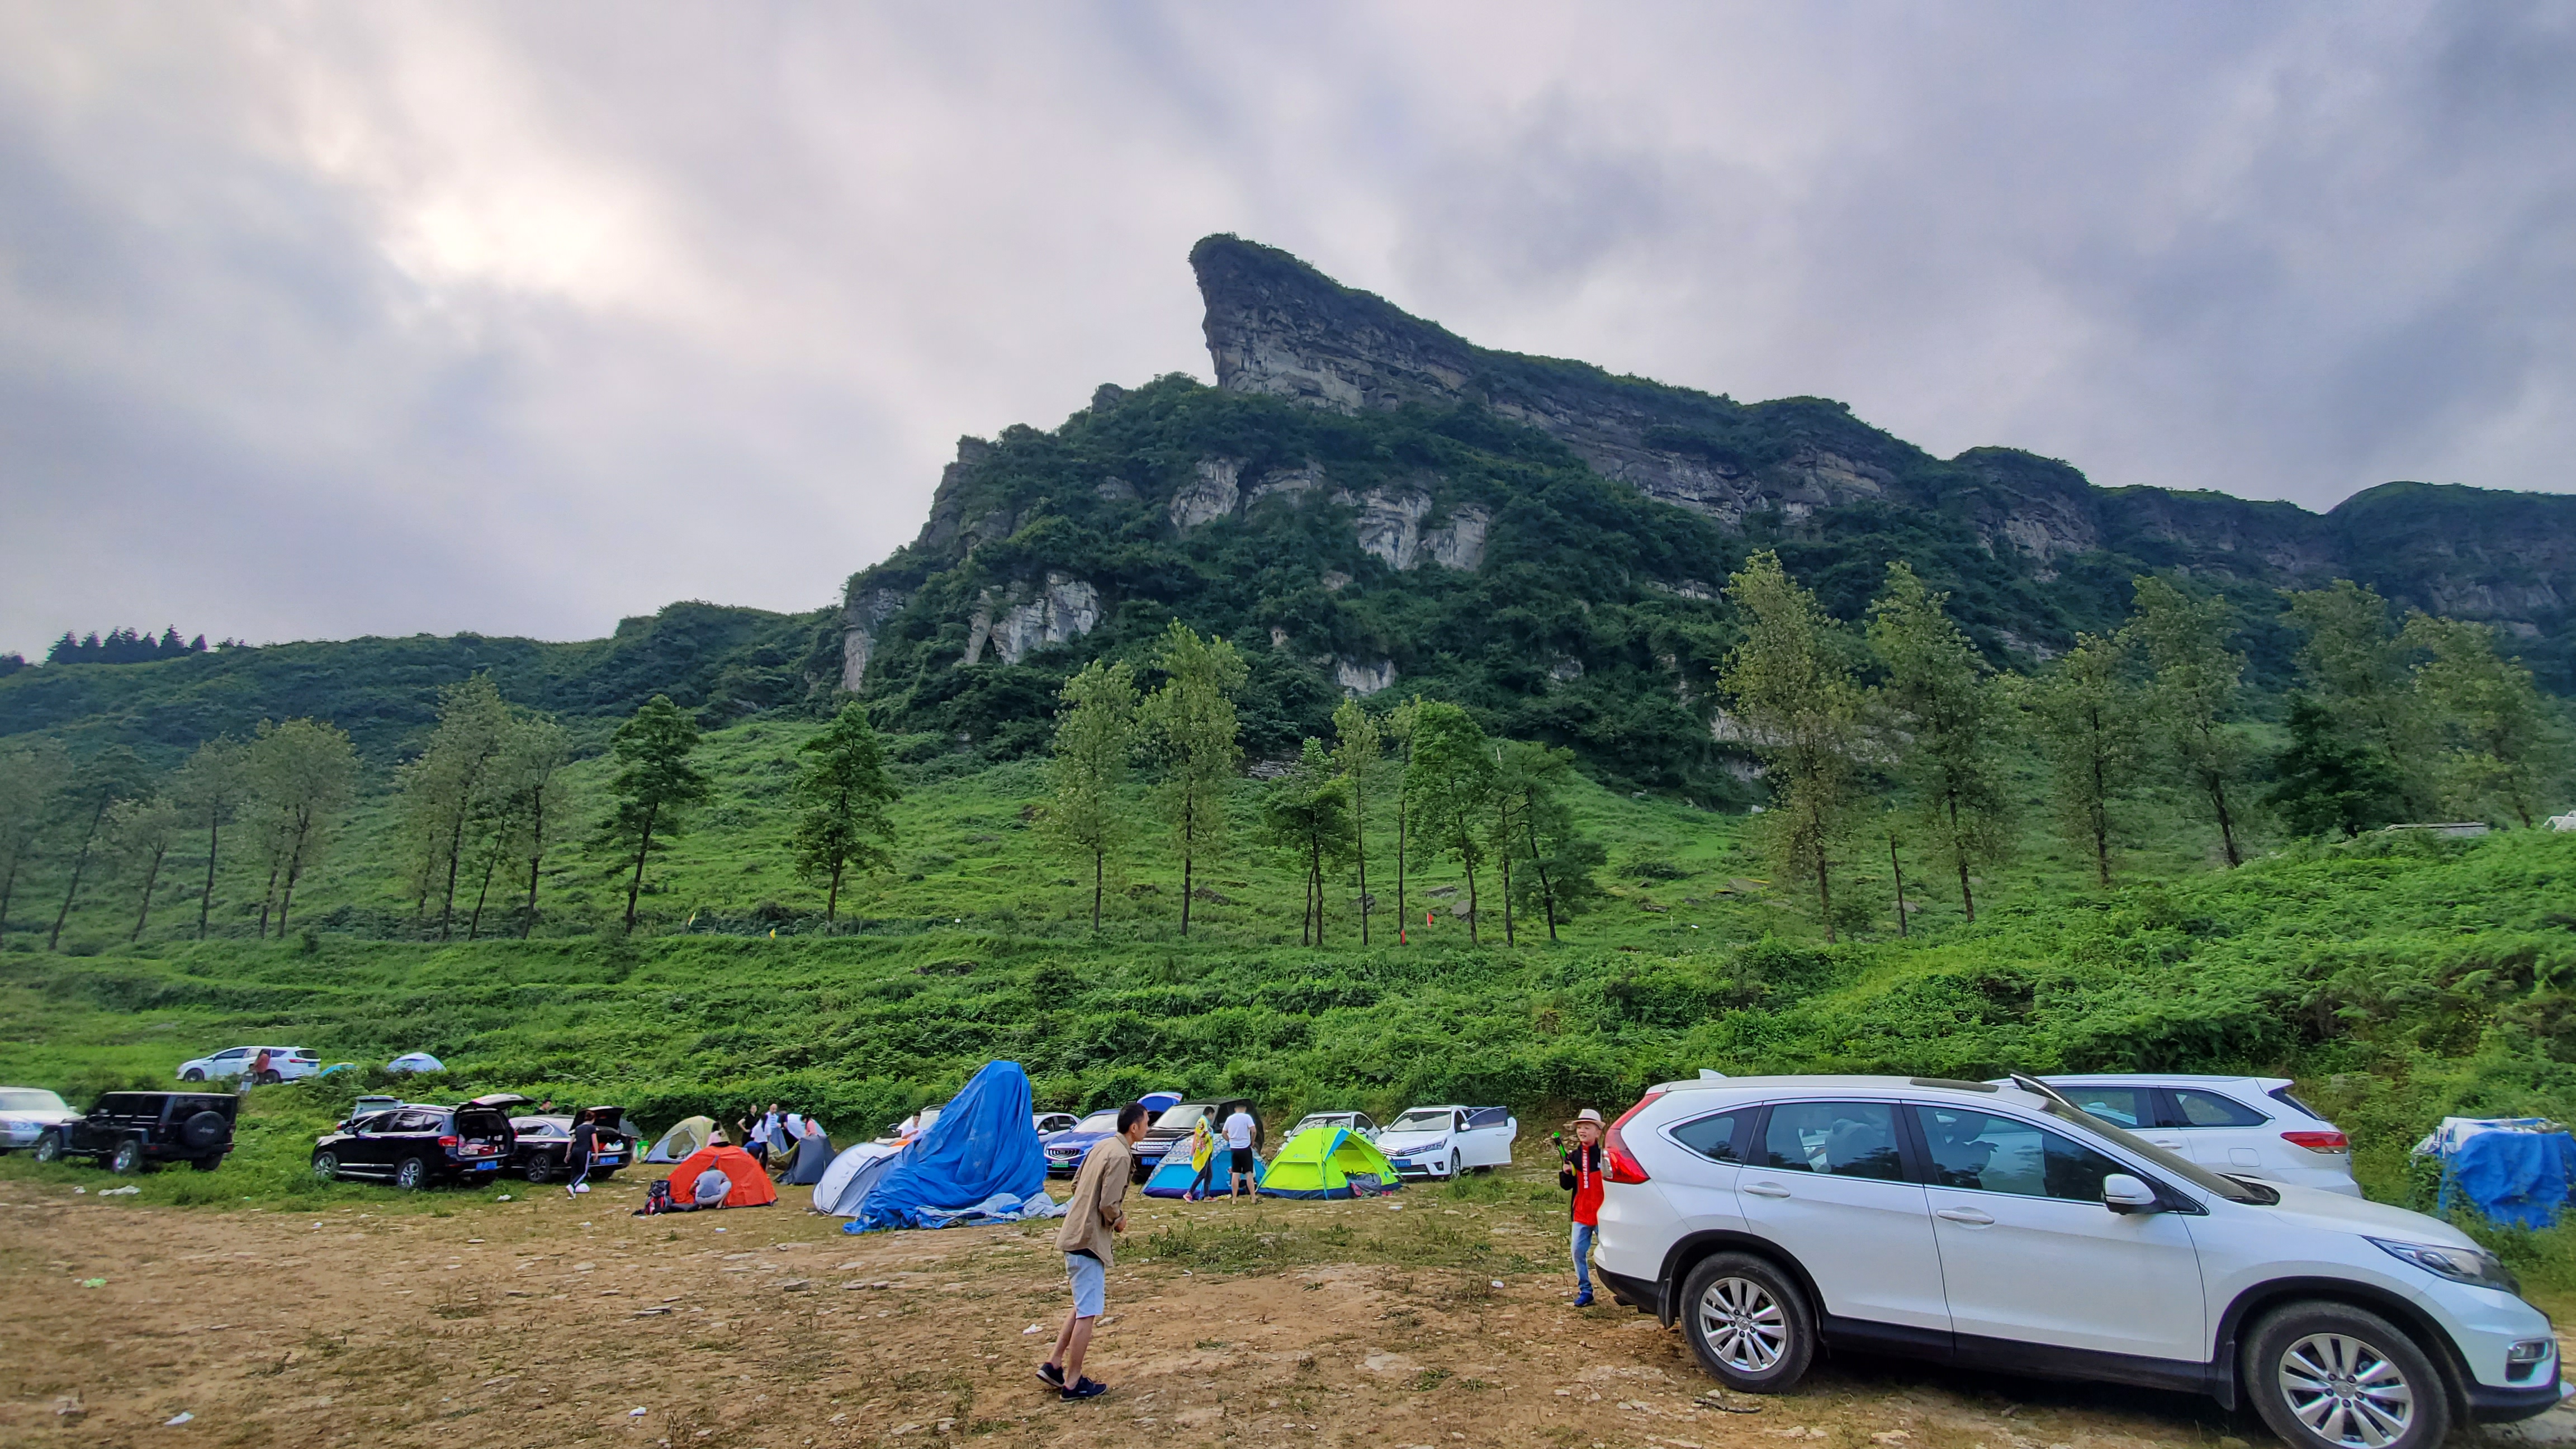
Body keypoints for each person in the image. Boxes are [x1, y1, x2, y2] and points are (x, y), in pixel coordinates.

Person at [1040, 1101, 1148, 1403]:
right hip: (1088, 1241)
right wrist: (1119, 1220)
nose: (1148, 1128)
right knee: (1088, 1312)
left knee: (1081, 1305)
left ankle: (1054, 1364)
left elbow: (1076, 1186)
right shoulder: (1121, 1155)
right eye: (1146, 1123)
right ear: (1134, 1128)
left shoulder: (1101, 1146)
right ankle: (1073, 1383)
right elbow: (1109, 1205)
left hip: (1074, 1234)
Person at [1559, 1108, 1607, 1307]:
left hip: (1604, 1214)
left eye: (1587, 1127)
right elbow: (1566, 1186)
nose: (1582, 1131)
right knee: (1578, 1252)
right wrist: (1566, 1172)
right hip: (1581, 1214)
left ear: (1598, 1132)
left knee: (1613, 1253)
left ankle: (1624, 1290)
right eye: (1580, 1127)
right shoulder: (1573, 1157)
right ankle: (1585, 1290)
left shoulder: (1605, 1157)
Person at [1221, 1103, 1258, 1201]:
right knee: (1249, 1173)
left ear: (1235, 1109)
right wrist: (1252, 1141)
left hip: (1234, 1149)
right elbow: (1254, 1131)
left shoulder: (1230, 1119)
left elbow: (1224, 1133)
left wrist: (1230, 1141)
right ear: (1245, 1108)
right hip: (1245, 1148)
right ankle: (1253, 1198)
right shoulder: (1247, 1117)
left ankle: (1234, 1199)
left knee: (1235, 1173)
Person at [564, 1109, 599, 1199]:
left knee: (575, 1172)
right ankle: (572, 1186)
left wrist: (568, 1154)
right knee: (583, 1172)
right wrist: (596, 1152)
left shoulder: (578, 1128)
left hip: (575, 1151)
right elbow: (594, 1141)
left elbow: (571, 1141)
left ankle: (572, 1194)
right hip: (585, 1151)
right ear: (593, 1119)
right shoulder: (592, 1128)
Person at [1183, 1117, 1219, 1202]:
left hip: (1208, 1153)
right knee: (1202, 1174)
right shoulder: (1202, 1122)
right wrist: (1209, 1136)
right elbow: (1202, 1137)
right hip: (1203, 1154)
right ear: (1210, 1114)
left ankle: (1206, 1196)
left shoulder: (1206, 1123)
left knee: (1209, 1175)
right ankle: (1189, 1193)